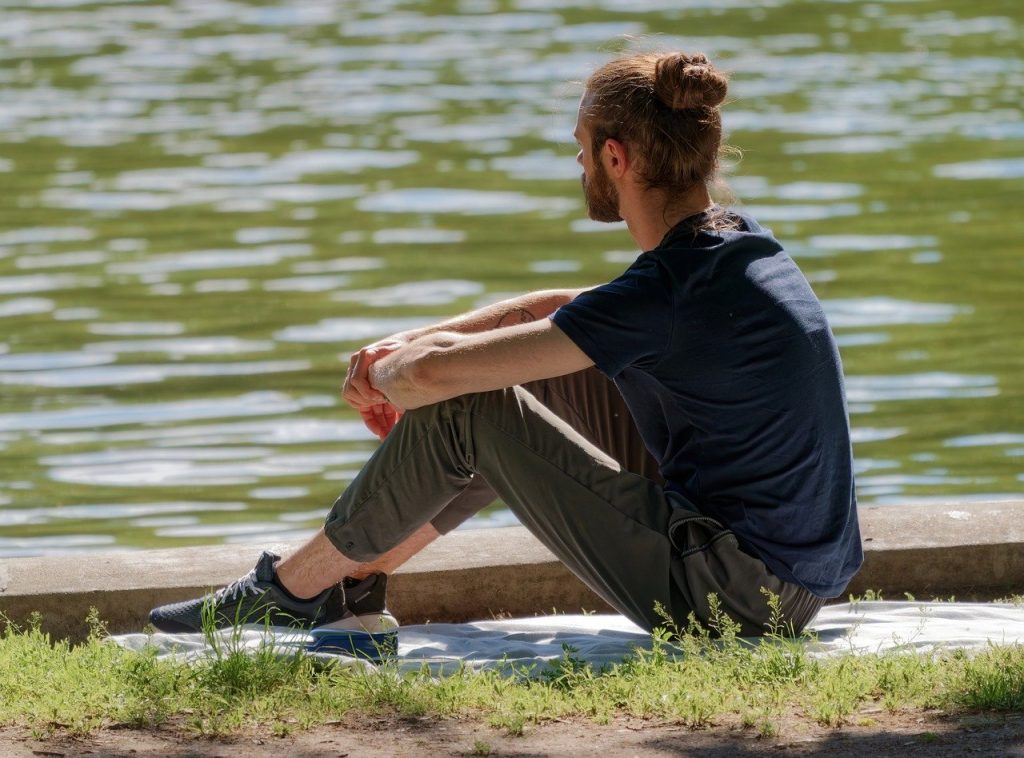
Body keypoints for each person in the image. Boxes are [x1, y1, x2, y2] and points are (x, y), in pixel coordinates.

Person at [150, 51, 862, 641]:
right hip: (784, 578)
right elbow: (565, 312)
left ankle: (290, 591)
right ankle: (353, 580)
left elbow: (433, 379)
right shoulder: (734, 245)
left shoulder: (668, 291)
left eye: (580, 152)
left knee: (469, 407)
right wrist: (417, 341)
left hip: (738, 599)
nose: (578, 166)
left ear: (614, 157)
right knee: (521, 374)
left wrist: (390, 372)